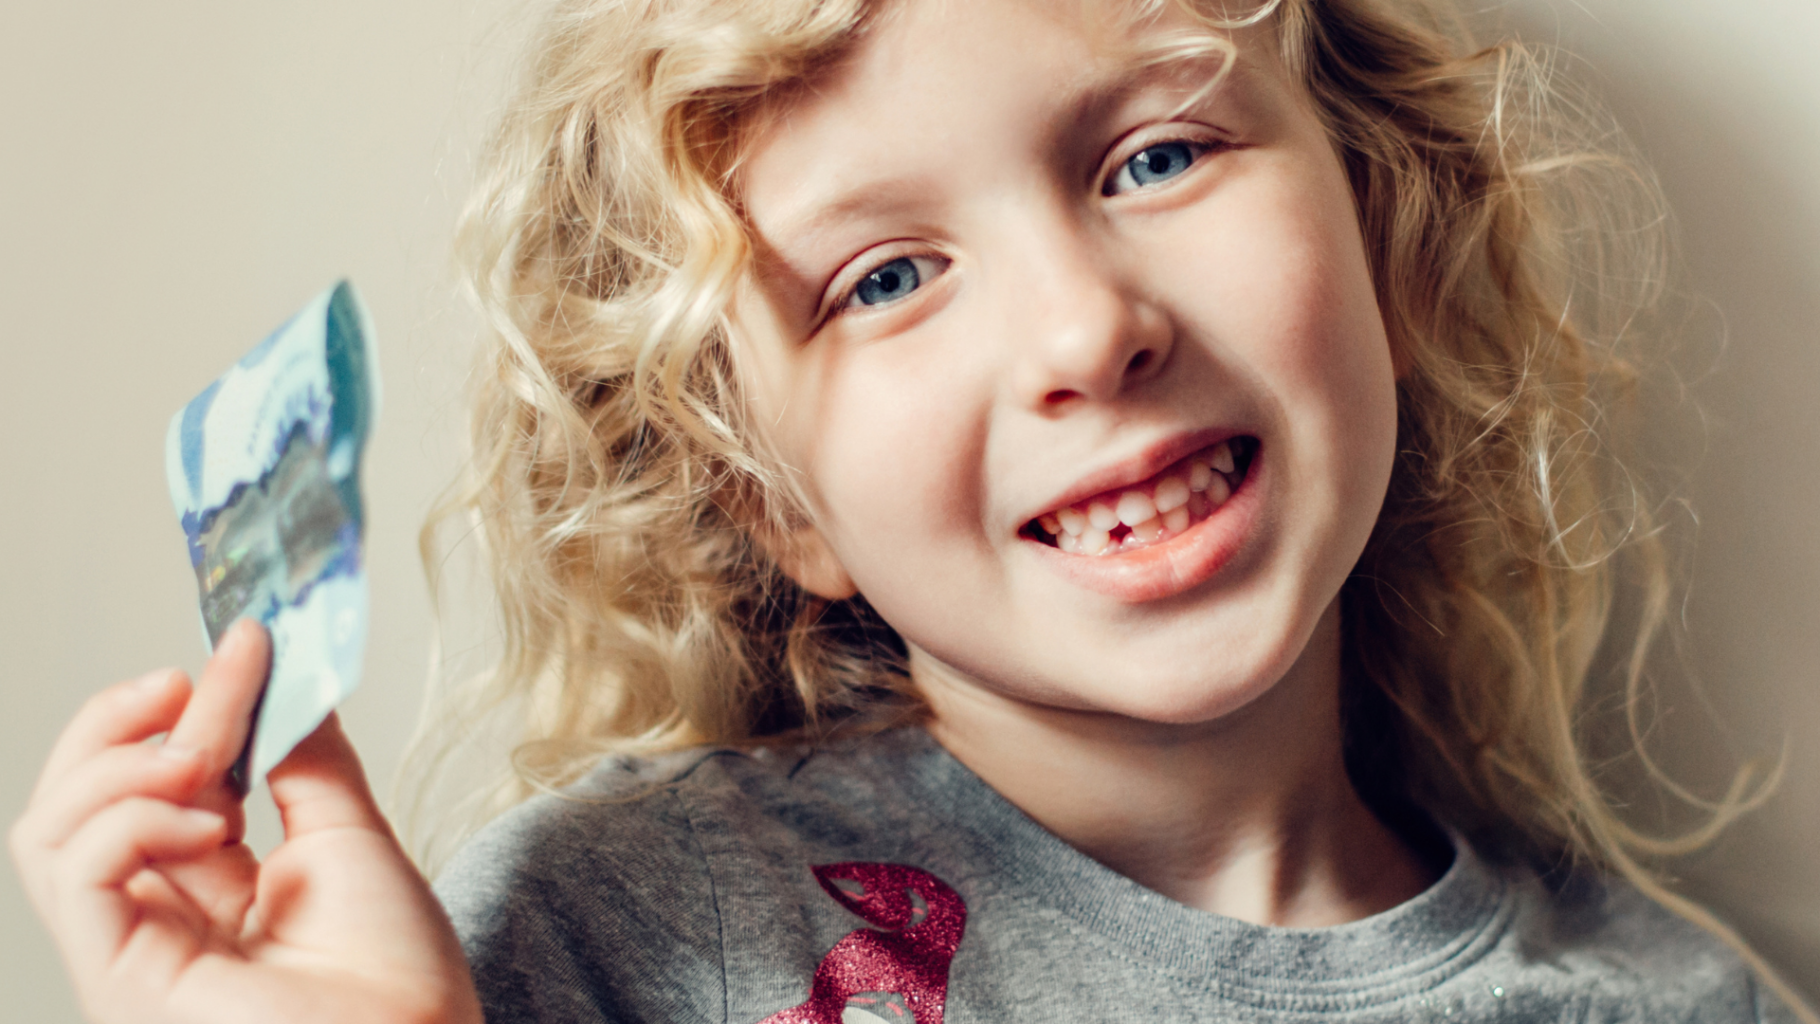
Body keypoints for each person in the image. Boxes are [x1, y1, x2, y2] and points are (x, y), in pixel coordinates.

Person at [11, 0, 1814, 1021]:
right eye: (881, 279)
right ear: (766, 499)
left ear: (1389, 231)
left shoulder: (1676, 1008)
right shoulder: (622, 935)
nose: (1088, 329)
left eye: (1158, 156)